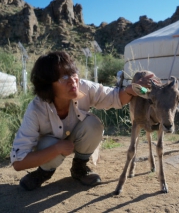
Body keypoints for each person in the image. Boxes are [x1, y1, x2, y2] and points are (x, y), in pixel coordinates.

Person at [10, 51, 154, 191]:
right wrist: (56, 149)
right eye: (63, 77)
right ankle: (44, 171)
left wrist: (130, 89)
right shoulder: (36, 110)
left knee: (93, 124)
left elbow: (114, 97)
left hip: (75, 139)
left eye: (73, 73)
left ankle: (79, 167)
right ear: (48, 85)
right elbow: (19, 161)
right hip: (50, 146)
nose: (73, 80)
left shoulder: (84, 87)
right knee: (50, 143)